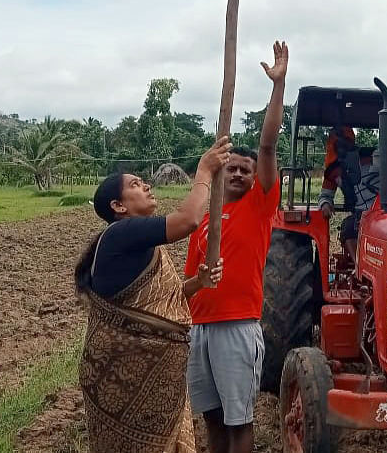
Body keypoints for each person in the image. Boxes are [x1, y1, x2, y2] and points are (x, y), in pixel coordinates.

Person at [75, 136, 231, 453]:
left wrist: (197, 282)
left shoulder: (140, 243)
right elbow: (188, 220)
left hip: (140, 372)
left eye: (144, 182)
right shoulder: (122, 232)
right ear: (118, 207)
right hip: (124, 373)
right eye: (135, 184)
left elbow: (161, 305)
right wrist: (203, 172)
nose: (146, 186)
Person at [185, 41, 288, 453]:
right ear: (221, 170)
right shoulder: (202, 218)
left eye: (247, 170)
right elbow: (189, 279)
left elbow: (267, 145)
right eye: (234, 167)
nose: (242, 174)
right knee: (211, 420)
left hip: (237, 326)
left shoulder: (259, 207)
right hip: (199, 328)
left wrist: (277, 87)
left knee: (238, 421)